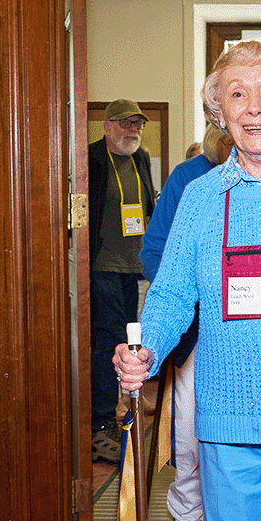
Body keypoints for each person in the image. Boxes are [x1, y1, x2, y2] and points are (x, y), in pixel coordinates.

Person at [115, 41, 261, 521]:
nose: (255, 107)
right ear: (219, 111)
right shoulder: (199, 197)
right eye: (238, 95)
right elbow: (173, 292)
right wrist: (148, 349)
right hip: (227, 407)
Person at [137, 123, 232, 521]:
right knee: (192, 442)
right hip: (196, 333)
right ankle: (188, 518)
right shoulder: (190, 179)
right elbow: (155, 250)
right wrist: (188, 294)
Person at [89, 97, 157, 463]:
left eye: (138, 124)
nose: (134, 130)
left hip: (134, 267)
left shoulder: (140, 159)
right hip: (103, 266)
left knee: (129, 341)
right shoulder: (92, 160)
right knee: (109, 341)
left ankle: (122, 409)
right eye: (126, 123)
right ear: (108, 126)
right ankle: (100, 426)